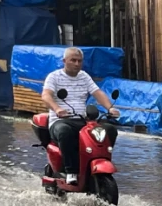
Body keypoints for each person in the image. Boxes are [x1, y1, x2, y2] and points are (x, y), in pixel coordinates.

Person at [42, 47, 119, 185]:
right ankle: (71, 171)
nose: (77, 64)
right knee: (65, 131)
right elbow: (46, 95)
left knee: (109, 129)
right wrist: (57, 108)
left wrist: (110, 108)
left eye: (79, 61)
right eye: (73, 60)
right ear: (64, 61)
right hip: (61, 121)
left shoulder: (84, 76)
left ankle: (100, 161)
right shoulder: (54, 77)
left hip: (83, 121)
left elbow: (97, 93)